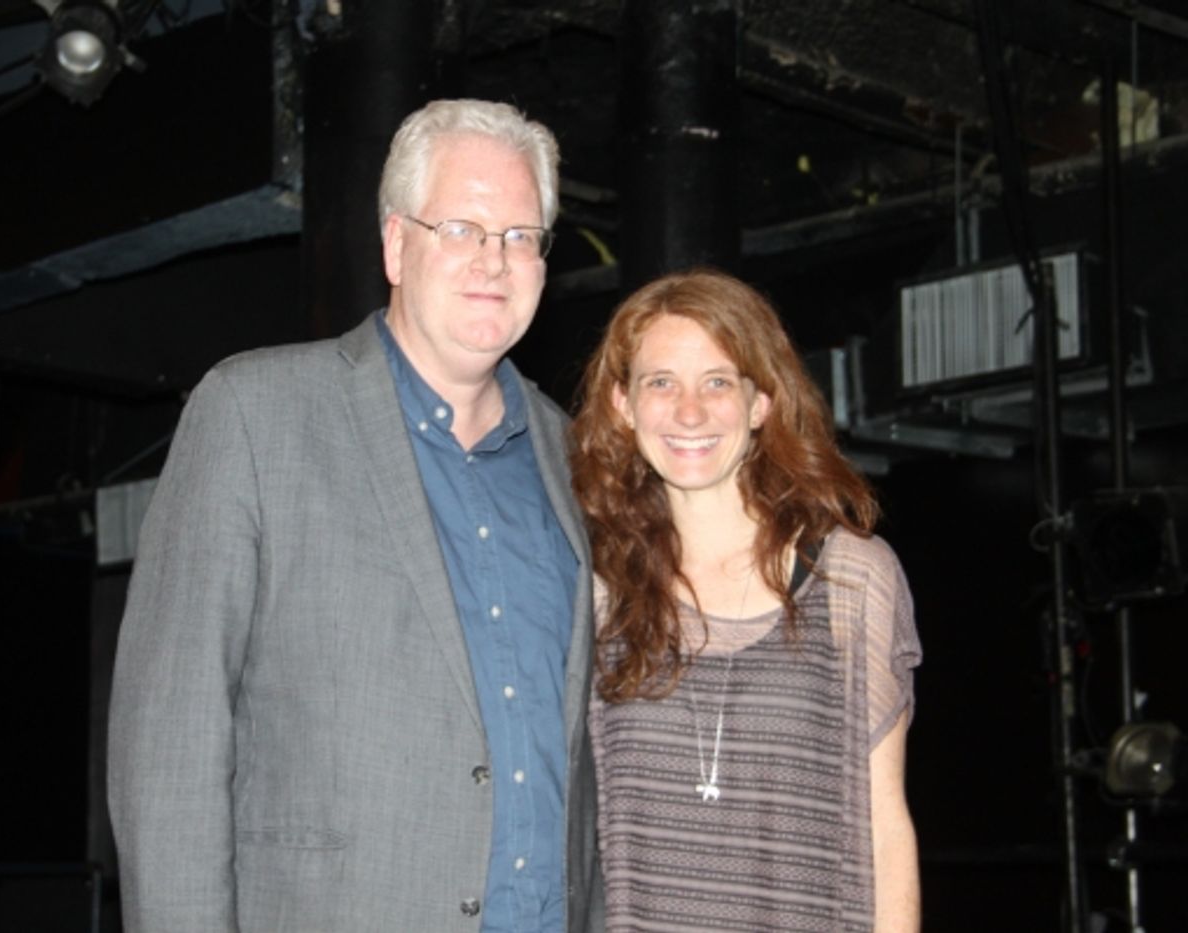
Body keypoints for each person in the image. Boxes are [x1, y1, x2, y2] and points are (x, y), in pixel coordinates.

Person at [107, 99, 603, 933]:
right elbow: (168, 743)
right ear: (395, 244)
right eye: (461, 227)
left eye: (521, 235)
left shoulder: (573, 456)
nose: (495, 259)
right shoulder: (254, 413)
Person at [569, 268, 922, 932]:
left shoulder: (850, 578)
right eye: (661, 382)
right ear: (623, 405)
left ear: (760, 402)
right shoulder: (593, 590)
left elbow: (887, 822)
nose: (690, 411)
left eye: (718, 381)